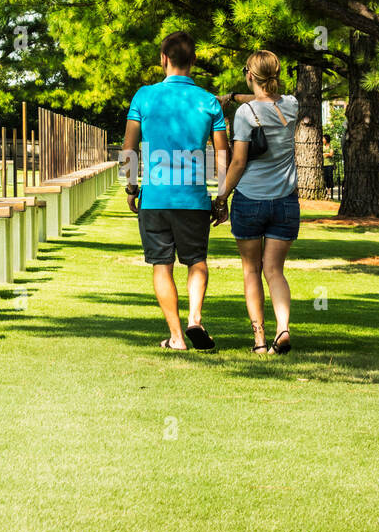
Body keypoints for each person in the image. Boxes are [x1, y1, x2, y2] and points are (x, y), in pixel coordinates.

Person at [122, 31, 230, 351]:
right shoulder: (209, 101)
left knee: (161, 265)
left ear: (163, 59)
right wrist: (222, 197)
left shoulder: (144, 96)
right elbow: (222, 154)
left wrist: (131, 187)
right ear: (193, 61)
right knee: (196, 261)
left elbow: (129, 147)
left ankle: (177, 337)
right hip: (193, 198)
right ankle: (195, 318)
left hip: (155, 197)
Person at [214, 50, 299, 354]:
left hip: (250, 199)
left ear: (249, 75)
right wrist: (236, 95)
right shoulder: (291, 105)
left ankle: (260, 340)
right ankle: (283, 328)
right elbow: (269, 98)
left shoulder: (244, 114)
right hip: (286, 201)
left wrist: (222, 196)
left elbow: (237, 163)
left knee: (252, 270)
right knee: (275, 270)